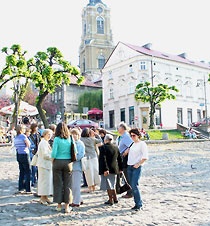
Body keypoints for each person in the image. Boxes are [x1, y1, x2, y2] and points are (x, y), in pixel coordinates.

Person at [51, 122, 72, 213]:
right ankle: (67, 206)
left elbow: (54, 153)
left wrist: (52, 161)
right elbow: (74, 151)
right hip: (68, 162)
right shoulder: (70, 139)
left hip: (58, 162)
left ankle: (59, 205)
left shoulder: (56, 139)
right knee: (68, 185)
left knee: (58, 184)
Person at [127, 128, 148, 211]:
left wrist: (138, 164)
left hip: (136, 166)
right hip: (130, 165)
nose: (132, 137)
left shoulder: (142, 144)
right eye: (131, 136)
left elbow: (145, 156)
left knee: (134, 185)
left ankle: (139, 203)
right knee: (132, 185)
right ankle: (136, 202)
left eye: (134, 135)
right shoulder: (132, 144)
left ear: (138, 135)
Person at [99, 134, 123, 205]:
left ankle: (110, 199)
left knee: (108, 185)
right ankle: (115, 198)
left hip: (107, 170)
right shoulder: (116, 147)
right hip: (115, 168)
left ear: (105, 140)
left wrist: (106, 169)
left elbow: (103, 159)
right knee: (113, 184)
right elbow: (119, 159)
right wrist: (121, 168)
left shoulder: (103, 148)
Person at [80, 128, 102, 192]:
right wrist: (96, 134)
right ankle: (94, 186)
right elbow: (100, 141)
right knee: (95, 172)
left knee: (88, 173)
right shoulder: (92, 139)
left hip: (86, 157)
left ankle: (90, 187)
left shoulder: (81, 139)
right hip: (94, 156)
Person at [37, 129, 53, 205]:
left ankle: (45, 196)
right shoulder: (43, 143)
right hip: (44, 165)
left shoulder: (46, 142)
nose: (49, 136)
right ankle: (42, 198)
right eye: (48, 134)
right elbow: (45, 155)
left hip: (47, 165)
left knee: (47, 182)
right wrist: (52, 157)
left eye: (50, 134)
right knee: (44, 182)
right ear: (44, 134)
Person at [117, 122, 133, 198]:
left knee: (126, 174)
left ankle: (130, 192)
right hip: (121, 156)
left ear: (122, 128)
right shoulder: (123, 136)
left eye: (119, 128)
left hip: (125, 157)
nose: (117, 129)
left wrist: (127, 150)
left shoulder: (126, 136)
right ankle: (121, 189)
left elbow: (132, 144)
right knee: (122, 174)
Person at [14, 125, 31, 193]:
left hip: (18, 154)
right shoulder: (23, 136)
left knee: (21, 171)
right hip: (24, 154)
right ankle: (28, 188)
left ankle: (21, 187)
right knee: (28, 171)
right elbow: (28, 144)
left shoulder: (16, 137)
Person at [71, 128, 85, 207]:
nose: (74, 136)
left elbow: (80, 155)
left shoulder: (80, 144)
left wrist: (72, 159)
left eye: (75, 134)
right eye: (72, 134)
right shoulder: (71, 143)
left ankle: (76, 201)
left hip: (77, 166)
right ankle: (79, 199)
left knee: (76, 185)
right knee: (73, 185)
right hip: (72, 166)